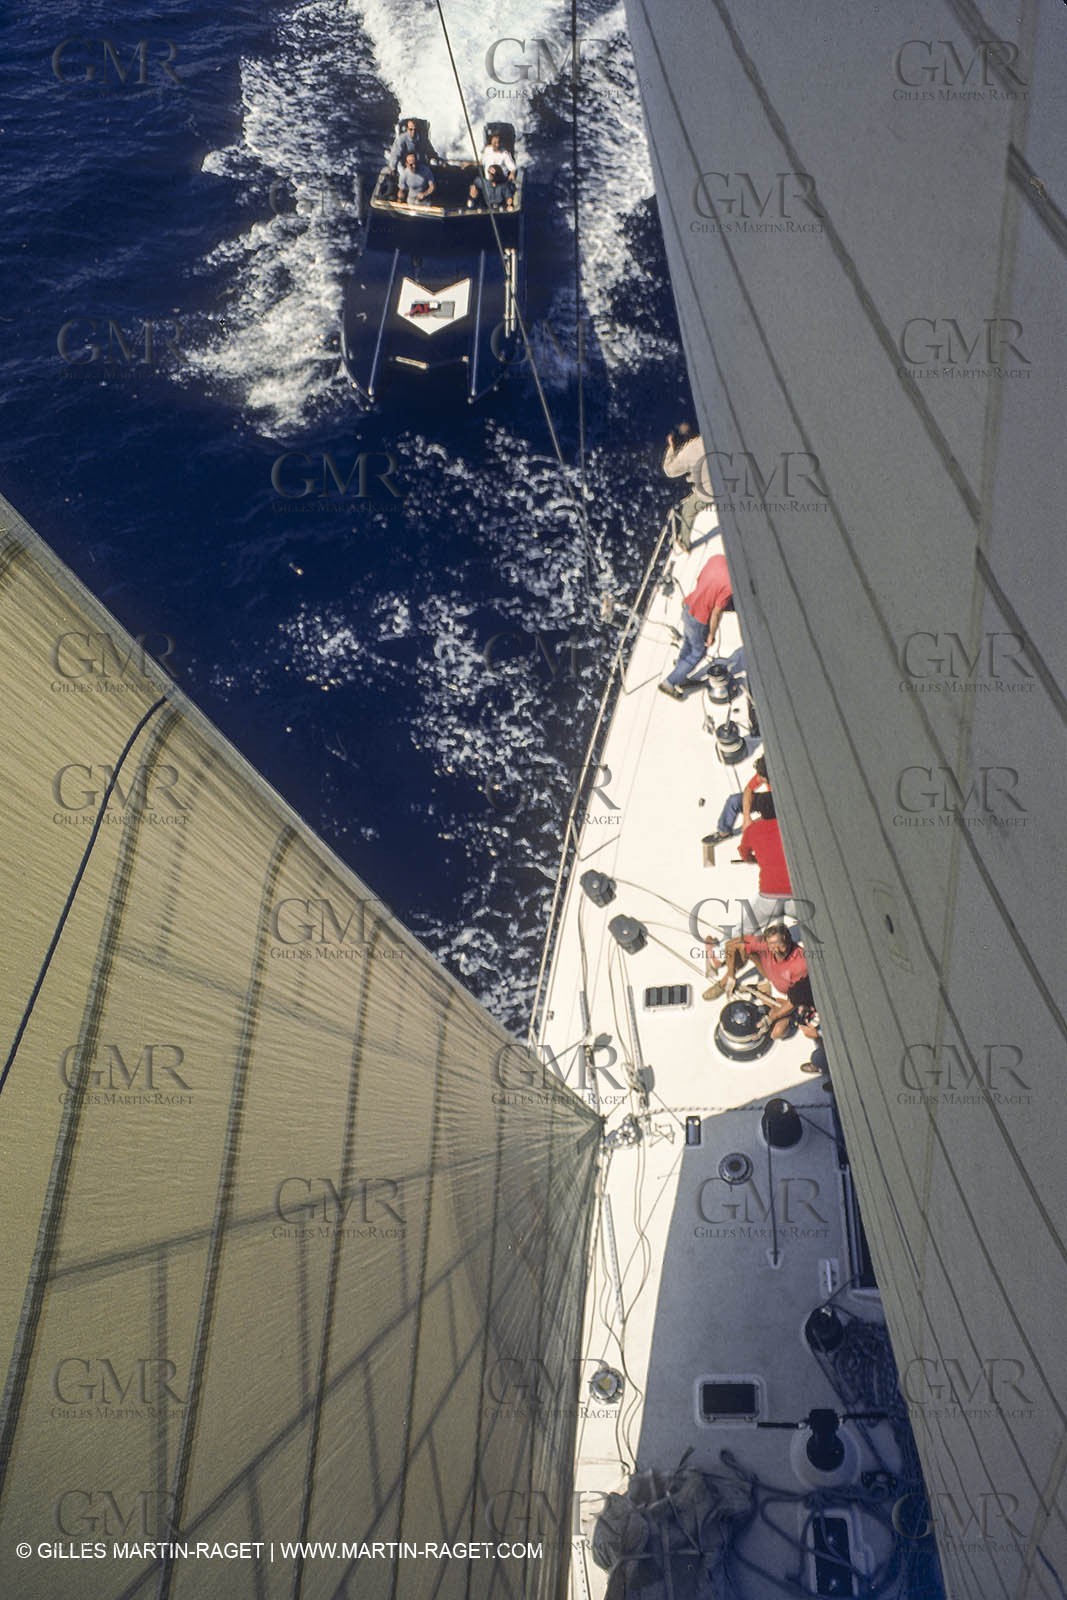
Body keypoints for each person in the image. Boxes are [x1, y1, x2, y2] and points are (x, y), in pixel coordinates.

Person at [659, 552, 733, 698]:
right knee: (697, 653)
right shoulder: (729, 583)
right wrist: (711, 634)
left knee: (688, 644)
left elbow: (700, 579)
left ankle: (680, 676)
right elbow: (716, 613)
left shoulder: (716, 559)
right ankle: (669, 683)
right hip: (701, 619)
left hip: (688, 607)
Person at [704, 922, 807, 1008]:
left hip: (784, 995)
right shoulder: (766, 943)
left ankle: (763, 989)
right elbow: (730, 945)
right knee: (744, 948)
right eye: (773, 946)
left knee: (778, 1031)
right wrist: (731, 974)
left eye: (782, 946)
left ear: (789, 941)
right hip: (770, 974)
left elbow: (797, 998)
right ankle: (725, 981)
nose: (777, 951)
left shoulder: (801, 963)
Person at [662, 421, 716, 550]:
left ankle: (685, 544)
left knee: (688, 511)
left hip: (708, 494)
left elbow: (669, 471)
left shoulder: (685, 454)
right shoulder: (709, 437)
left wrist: (671, 447)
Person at [736, 815, 793, 931]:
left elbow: (744, 854)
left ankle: (719, 948)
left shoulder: (752, 830)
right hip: (795, 895)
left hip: (769, 896)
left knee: (743, 931)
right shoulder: (790, 824)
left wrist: (755, 859)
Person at [706, 756, 773, 844]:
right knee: (734, 800)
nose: (760, 779)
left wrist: (753, 823)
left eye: (763, 778)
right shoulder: (766, 768)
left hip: (775, 808)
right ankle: (724, 832)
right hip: (767, 798)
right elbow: (748, 789)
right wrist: (746, 817)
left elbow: (773, 816)